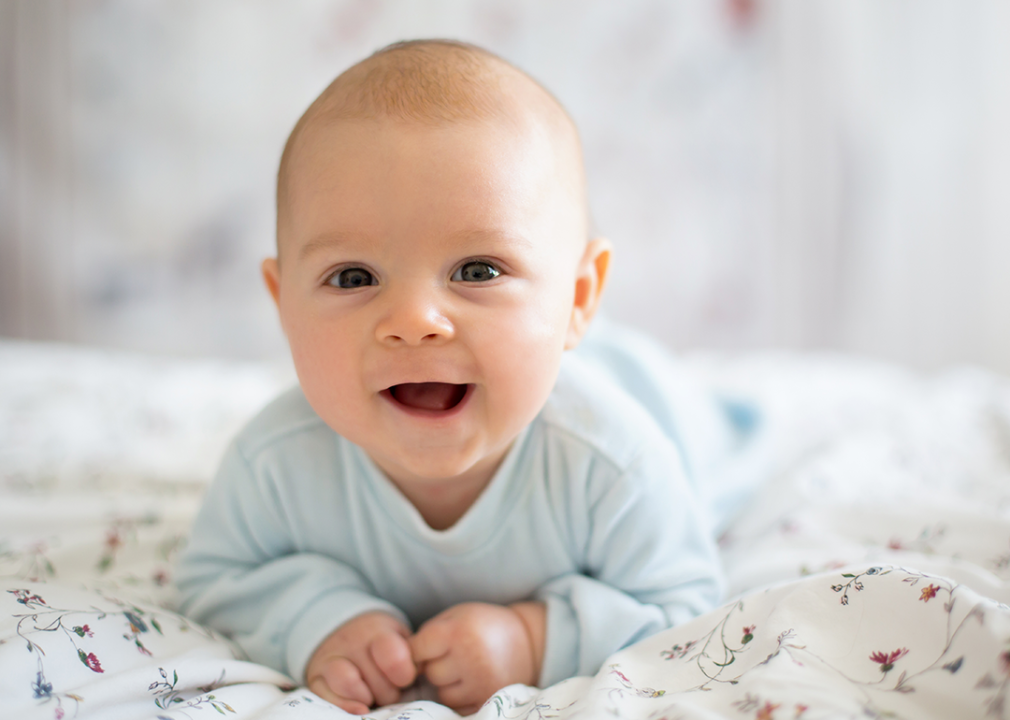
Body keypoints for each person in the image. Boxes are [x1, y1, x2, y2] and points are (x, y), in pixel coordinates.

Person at [175, 39, 724, 715]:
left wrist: (534, 638)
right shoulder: (274, 466)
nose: (412, 322)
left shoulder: (614, 463)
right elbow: (212, 581)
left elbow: (687, 603)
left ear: (580, 299)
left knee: (712, 426)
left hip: (653, 398)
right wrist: (321, 620)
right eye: (353, 277)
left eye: (477, 270)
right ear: (282, 302)